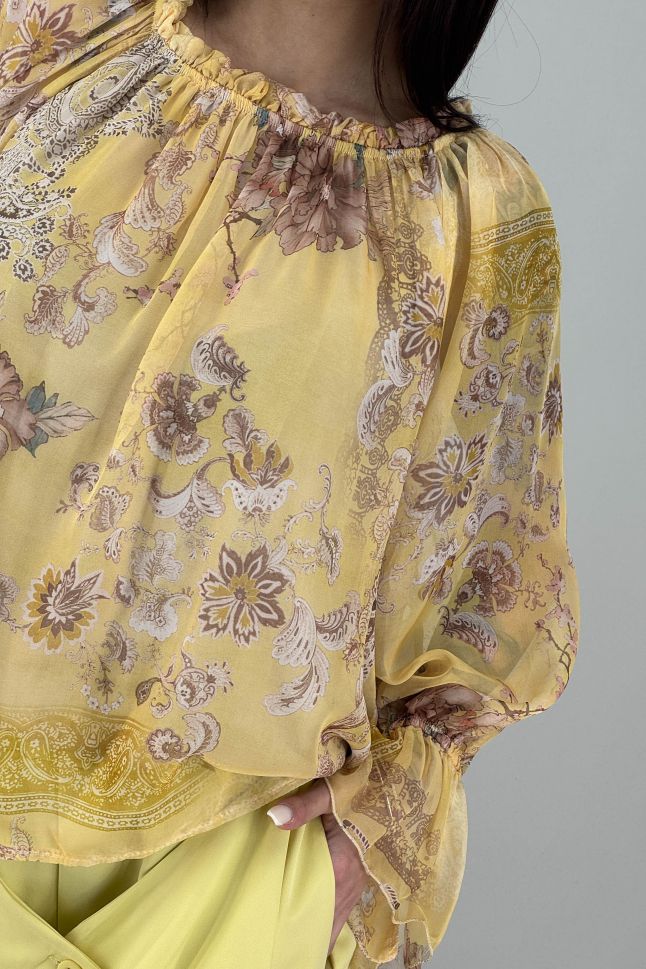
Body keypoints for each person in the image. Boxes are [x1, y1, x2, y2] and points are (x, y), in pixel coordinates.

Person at [0, 0, 581, 967]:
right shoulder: (46, 35)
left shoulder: (478, 215)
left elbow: (487, 598)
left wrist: (369, 827)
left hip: (219, 881)